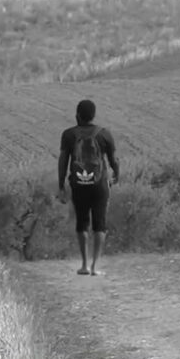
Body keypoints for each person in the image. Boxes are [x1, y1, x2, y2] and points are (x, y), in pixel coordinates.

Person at [58, 99, 119, 276]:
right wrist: (116, 174)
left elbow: (63, 161)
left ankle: (84, 265)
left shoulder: (69, 134)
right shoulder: (104, 134)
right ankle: (94, 266)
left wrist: (61, 184)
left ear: (78, 115)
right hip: (100, 184)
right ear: (93, 115)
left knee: (82, 222)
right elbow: (113, 159)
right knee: (100, 223)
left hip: (78, 184)